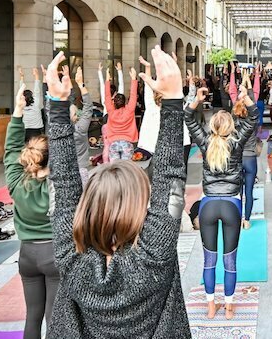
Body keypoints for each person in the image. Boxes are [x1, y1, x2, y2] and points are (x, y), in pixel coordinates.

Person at [46, 47, 190, 337]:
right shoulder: (154, 255)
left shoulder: (71, 258)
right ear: (141, 207)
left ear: (86, 208)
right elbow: (170, 179)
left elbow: (63, 188)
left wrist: (58, 106)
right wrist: (173, 102)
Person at [185, 83, 259, 319]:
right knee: (230, 261)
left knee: (209, 261)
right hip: (231, 206)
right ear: (230, 128)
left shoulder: (206, 143)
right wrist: (246, 99)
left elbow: (188, 117)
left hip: (207, 206)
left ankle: (209, 306)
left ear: (212, 127)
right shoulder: (236, 144)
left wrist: (196, 99)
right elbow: (254, 117)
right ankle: (227, 308)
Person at [3, 82, 59, 339]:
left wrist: (18, 111)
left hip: (27, 255)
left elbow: (11, 149)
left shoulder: (15, 181)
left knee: (32, 315)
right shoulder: (58, 186)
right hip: (54, 253)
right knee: (54, 316)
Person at [235, 75, 262, 229]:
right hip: (251, 157)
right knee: (249, 191)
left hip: (238, 157)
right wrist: (248, 86)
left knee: (238, 192)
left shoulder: (234, 119)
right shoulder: (252, 119)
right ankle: (247, 220)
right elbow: (253, 104)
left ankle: (238, 219)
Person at [102, 62, 138, 163]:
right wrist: (133, 79)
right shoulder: (130, 110)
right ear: (125, 102)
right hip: (127, 142)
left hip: (113, 142)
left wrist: (107, 81)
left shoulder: (111, 111)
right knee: (126, 169)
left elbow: (107, 96)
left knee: (115, 169)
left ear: (114, 102)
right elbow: (134, 95)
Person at [20, 66, 45, 140]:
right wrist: (36, 75)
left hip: (25, 130)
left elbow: (20, 91)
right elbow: (37, 89)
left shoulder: (22, 105)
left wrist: (21, 77)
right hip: (37, 130)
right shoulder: (36, 102)